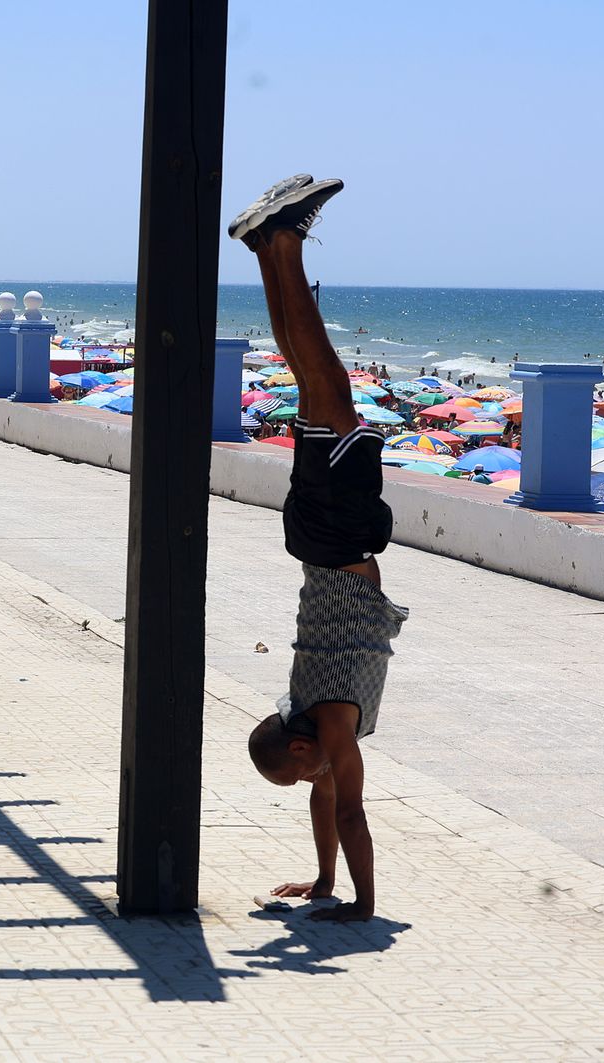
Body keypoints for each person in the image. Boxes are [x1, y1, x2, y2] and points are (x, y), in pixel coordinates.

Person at [229, 174, 408, 923]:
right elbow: (328, 804)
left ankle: (284, 243)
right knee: (310, 382)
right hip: (316, 539)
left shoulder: (334, 728)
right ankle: (267, 249)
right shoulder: (307, 713)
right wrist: (321, 882)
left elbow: (349, 811)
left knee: (326, 380)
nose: (315, 784)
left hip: (336, 537)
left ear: (303, 753)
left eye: (300, 778)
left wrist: (361, 905)